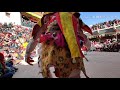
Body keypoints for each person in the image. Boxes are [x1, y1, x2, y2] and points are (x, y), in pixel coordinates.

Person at [25, 12, 92, 78]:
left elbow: (36, 37)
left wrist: (28, 53)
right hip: (70, 59)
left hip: (60, 59)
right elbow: (88, 45)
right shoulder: (74, 17)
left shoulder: (47, 17)